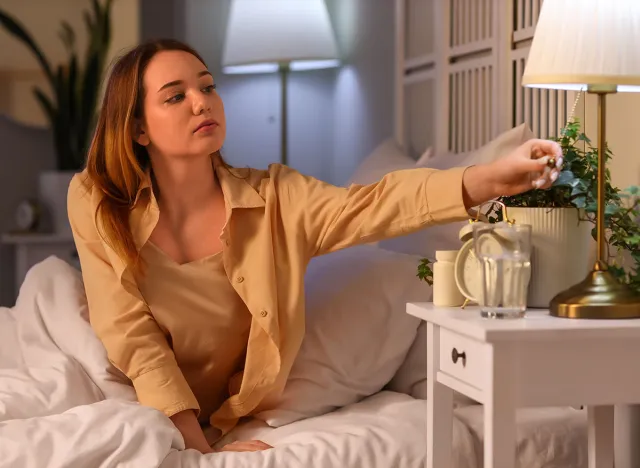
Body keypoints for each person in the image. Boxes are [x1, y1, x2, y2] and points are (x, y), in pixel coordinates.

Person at [67, 38, 562, 455]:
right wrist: (197, 450)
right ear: (136, 128)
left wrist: (491, 177)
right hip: (116, 372)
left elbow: (377, 204)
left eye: (208, 86)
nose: (202, 102)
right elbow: (130, 334)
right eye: (175, 97)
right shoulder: (97, 199)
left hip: (209, 406)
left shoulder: (278, 199)